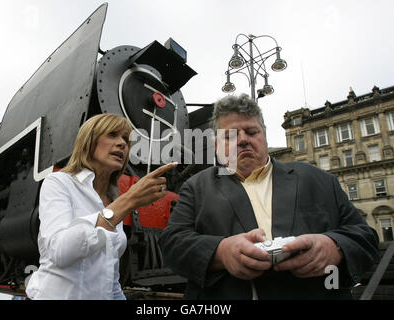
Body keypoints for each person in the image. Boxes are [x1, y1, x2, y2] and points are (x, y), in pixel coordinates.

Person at [158, 93, 380, 299]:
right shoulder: (196, 187)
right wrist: (221, 252)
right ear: (216, 146)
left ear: (264, 137)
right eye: (231, 136)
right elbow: (172, 244)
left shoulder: (320, 180)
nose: (243, 139)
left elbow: (365, 238)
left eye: (252, 132)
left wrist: (334, 247)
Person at [26, 113, 177, 299]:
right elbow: (59, 251)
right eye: (112, 134)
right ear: (88, 141)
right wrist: (128, 201)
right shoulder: (59, 182)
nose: (122, 143)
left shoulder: (114, 199)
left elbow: (111, 281)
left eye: (126, 139)